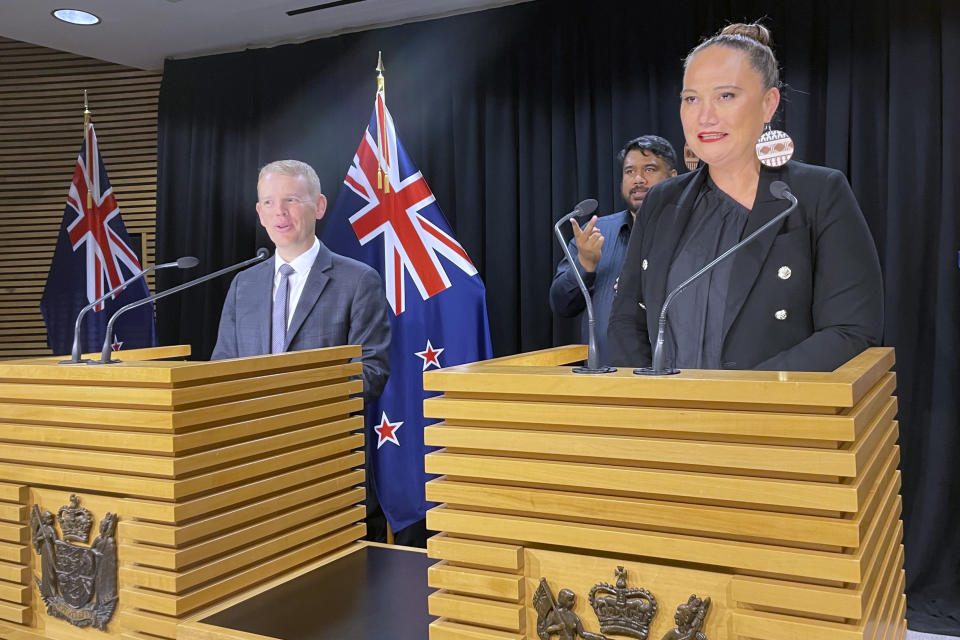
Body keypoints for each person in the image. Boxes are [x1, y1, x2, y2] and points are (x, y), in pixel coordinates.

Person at [608, 23, 883, 372]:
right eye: (691, 98)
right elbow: (626, 321)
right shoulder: (662, 200)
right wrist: (651, 403)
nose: (704, 116)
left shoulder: (817, 193)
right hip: (666, 419)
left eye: (726, 96)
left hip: (767, 418)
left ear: (768, 104)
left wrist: (742, 401)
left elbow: (851, 330)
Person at [211, 160, 390, 402]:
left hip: (322, 434)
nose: (279, 211)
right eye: (268, 202)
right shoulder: (243, 284)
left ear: (319, 206)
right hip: (250, 434)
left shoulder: (358, 280)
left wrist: (292, 400)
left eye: (291, 200)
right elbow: (221, 369)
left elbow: (370, 372)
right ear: (260, 214)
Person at [550, 136, 677, 365]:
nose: (638, 179)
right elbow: (561, 304)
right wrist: (584, 265)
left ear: (673, 177)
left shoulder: (691, 233)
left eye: (649, 169)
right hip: (607, 383)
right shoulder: (595, 234)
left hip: (675, 381)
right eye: (629, 172)